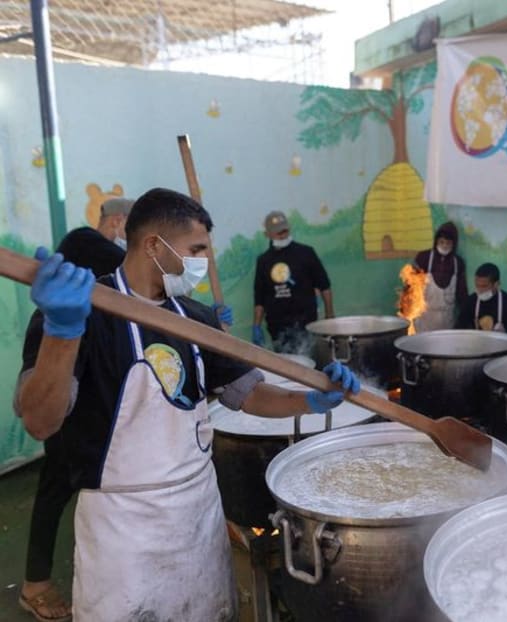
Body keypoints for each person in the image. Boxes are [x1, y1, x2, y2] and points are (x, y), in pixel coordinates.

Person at [13, 188, 360, 621]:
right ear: (153, 245)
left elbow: (248, 393)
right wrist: (62, 331)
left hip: (198, 514)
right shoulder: (85, 312)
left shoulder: (195, 318)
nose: (204, 261)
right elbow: (41, 422)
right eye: (196, 250)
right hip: (124, 530)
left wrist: (308, 400)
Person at [18, 196, 134, 622]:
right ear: (117, 222)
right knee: (55, 492)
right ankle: (34, 585)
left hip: (98, 419)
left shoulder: (105, 293)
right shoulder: (83, 251)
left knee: (70, 495)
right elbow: (37, 411)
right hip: (68, 425)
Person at [253, 210, 333, 352]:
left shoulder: (306, 253)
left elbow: (324, 286)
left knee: (309, 359)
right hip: (278, 329)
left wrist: (329, 316)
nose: (282, 235)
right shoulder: (263, 261)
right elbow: (259, 298)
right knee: (284, 362)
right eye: (278, 232)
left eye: (285, 231)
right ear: (267, 234)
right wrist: (256, 326)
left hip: (306, 325)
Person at [412, 221, 468, 332]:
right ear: (436, 241)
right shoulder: (423, 258)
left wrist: (466, 315)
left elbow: (462, 293)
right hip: (424, 318)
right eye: (441, 242)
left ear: (454, 244)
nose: (444, 246)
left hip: (446, 320)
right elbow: (411, 287)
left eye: (448, 243)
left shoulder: (458, 263)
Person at [455, 263, 507, 336]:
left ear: (496, 284)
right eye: (477, 285)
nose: (479, 290)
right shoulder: (470, 302)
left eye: (484, 286)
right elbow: (460, 328)